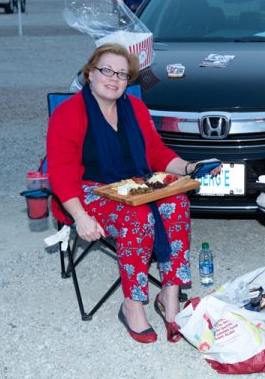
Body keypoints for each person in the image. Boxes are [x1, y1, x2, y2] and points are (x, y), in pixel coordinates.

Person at [47, 43, 221, 344]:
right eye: (106, 70)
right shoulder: (68, 113)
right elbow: (60, 174)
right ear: (90, 73)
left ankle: (169, 298)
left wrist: (189, 167)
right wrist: (80, 217)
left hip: (134, 185)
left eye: (122, 74)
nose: (114, 79)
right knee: (137, 216)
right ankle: (133, 304)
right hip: (87, 191)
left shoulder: (136, 109)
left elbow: (156, 152)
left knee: (176, 203)